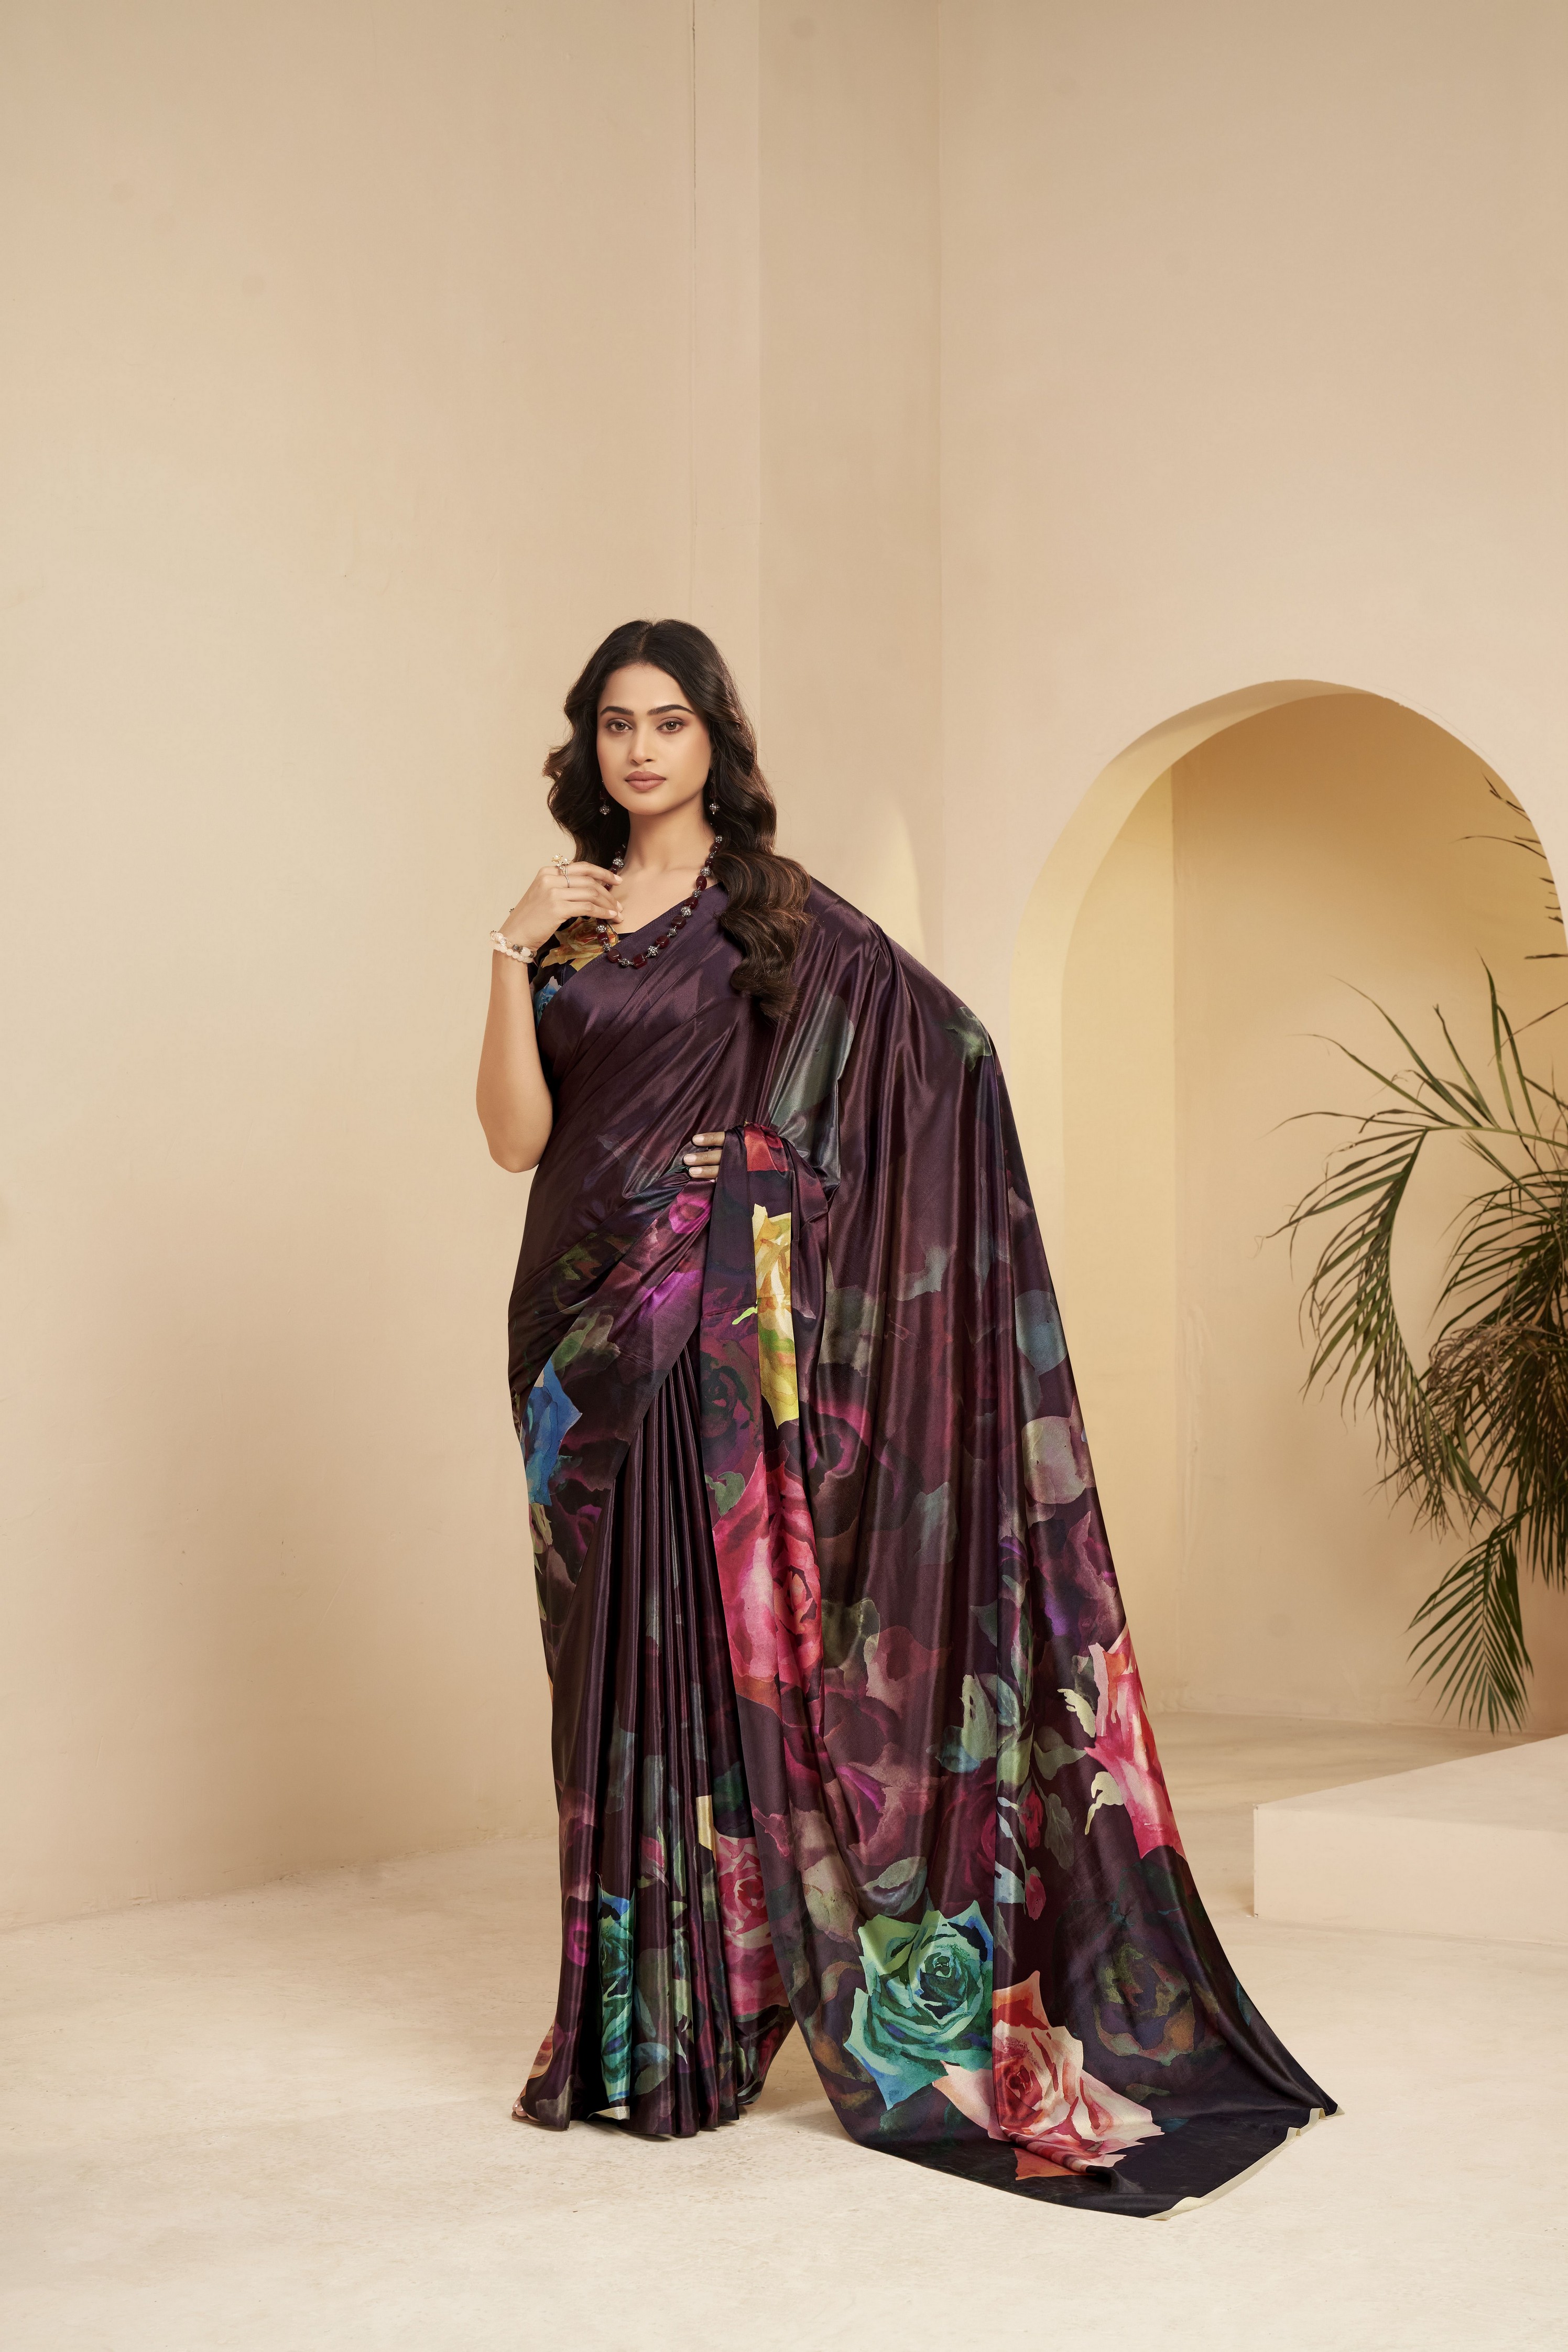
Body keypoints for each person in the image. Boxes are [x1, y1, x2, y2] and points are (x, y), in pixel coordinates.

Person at [475, 618, 1333, 2213]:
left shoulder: (777, 915)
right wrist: (503, 951)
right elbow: (515, 1139)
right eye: (617, 724)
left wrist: (770, 1171)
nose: (642, 750)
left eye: (671, 723)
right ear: (588, 745)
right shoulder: (565, 924)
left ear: (716, 742)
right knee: (599, 1681)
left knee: (708, 1671)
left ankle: (712, 2030)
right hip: (570, 1348)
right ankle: (633, 2034)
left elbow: (951, 1060)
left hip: (705, 1331)